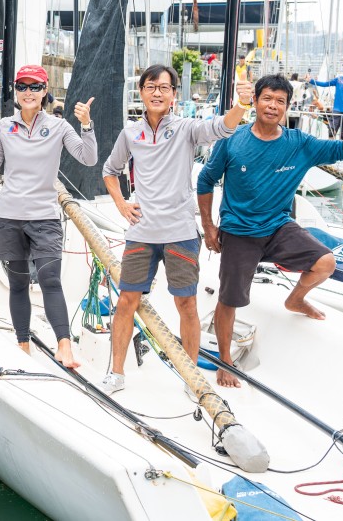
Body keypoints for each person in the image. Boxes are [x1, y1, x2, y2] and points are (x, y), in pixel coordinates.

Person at [197, 74, 343, 388]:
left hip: (278, 226)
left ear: (287, 107)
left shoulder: (299, 143)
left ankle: (294, 299)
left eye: (280, 101)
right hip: (239, 231)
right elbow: (205, 181)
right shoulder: (232, 140)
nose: (273, 106)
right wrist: (209, 227)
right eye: (267, 98)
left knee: (325, 262)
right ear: (254, 102)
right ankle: (225, 360)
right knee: (230, 300)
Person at [98, 65, 254, 395]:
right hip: (141, 233)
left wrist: (241, 106)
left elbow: (221, 128)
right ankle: (116, 373)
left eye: (165, 88)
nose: (157, 92)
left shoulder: (185, 129)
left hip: (181, 232)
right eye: (151, 86)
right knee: (126, 301)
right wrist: (122, 204)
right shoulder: (130, 134)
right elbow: (109, 171)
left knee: (187, 305)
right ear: (140, 92)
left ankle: (190, 377)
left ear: (173, 95)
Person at [0, 65, 97, 367]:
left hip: (44, 216)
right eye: (22, 86)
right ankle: (22, 344)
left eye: (34, 87)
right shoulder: (4, 126)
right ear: (16, 92)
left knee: (49, 278)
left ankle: (64, 346)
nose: (27, 92)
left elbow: (88, 157)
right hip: (9, 216)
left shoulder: (59, 126)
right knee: (17, 283)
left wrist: (86, 126)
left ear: (44, 91)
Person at [306, 61, 343, 139]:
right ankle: (331, 148)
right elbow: (325, 84)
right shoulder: (339, 79)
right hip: (337, 109)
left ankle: (342, 149)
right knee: (332, 130)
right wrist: (311, 81)